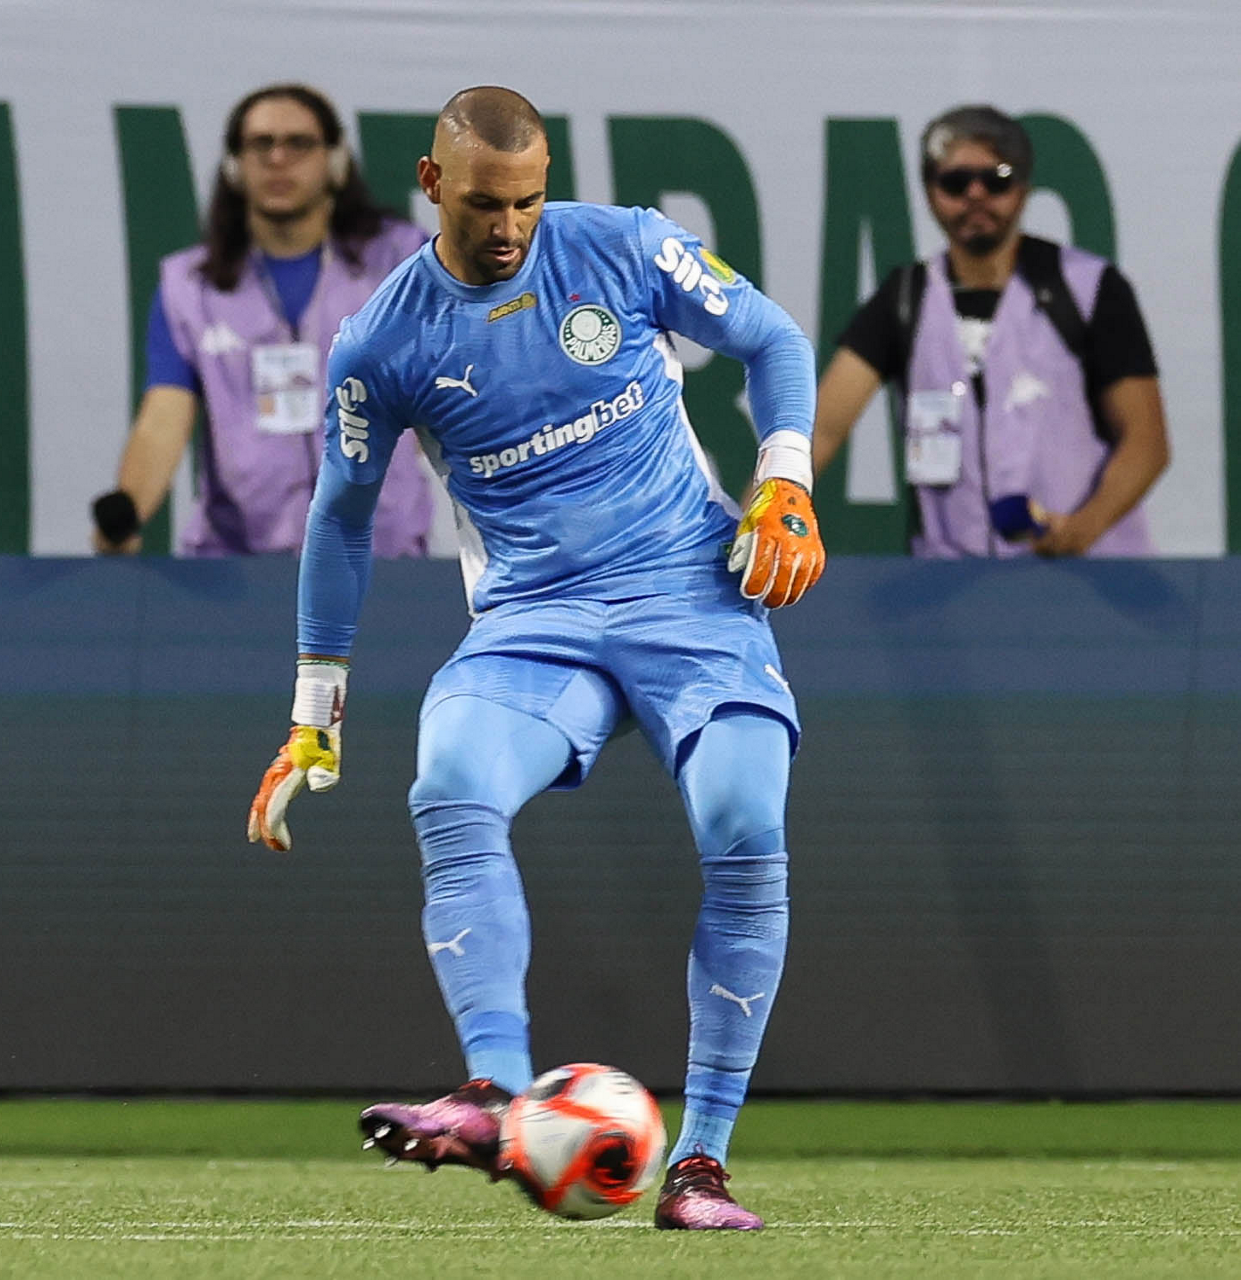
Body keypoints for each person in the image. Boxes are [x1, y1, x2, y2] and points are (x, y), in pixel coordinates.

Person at [246, 86, 825, 1230]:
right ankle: (494, 1096)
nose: (508, 227)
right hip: (535, 615)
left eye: (525, 201)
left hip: (691, 594)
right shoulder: (382, 340)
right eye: (481, 204)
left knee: (743, 821)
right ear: (431, 183)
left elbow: (771, 339)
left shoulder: (623, 247)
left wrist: (785, 476)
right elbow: (341, 518)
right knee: (450, 776)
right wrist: (315, 709)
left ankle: (699, 1165)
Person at [812, 104, 1169, 558]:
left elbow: (1146, 443)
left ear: (1023, 188)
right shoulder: (904, 300)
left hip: (1084, 577)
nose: (976, 195)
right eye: (955, 182)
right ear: (929, 191)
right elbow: (820, 430)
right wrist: (751, 527)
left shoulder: (1088, 287)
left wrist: (1082, 530)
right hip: (953, 584)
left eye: (996, 179)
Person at [92, 83, 432, 557]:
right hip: (238, 567)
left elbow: (451, 386)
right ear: (233, 166)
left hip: (379, 554)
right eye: (260, 144)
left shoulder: (401, 262)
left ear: (336, 162)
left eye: (299, 143)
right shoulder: (191, 287)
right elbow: (164, 416)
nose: (277, 159)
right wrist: (127, 512)